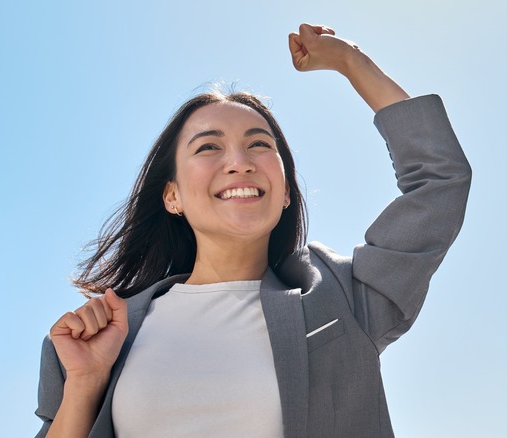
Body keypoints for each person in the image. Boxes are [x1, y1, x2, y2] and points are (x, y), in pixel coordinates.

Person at [35, 23, 471, 438]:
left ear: (285, 192)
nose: (239, 162)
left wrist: (350, 61)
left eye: (259, 144)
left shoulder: (341, 298)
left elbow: (439, 181)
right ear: (172, 196)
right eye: (208, 146)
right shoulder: (102, 334)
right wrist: (86, 381)